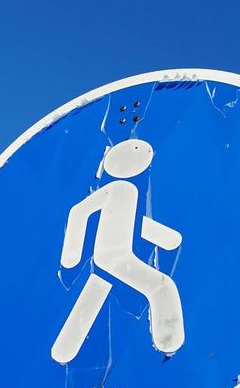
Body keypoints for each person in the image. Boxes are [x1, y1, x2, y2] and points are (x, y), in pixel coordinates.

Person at [51, 139, 184, 365]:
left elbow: (133, 224)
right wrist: (70, 258)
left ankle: (63, 352)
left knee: (93, 296)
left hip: (114, 256)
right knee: (162, 287)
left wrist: (167, 238)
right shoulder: (116, 189)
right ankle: (168, 344)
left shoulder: (128, 191)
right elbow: (79, 213)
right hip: (115, 256)